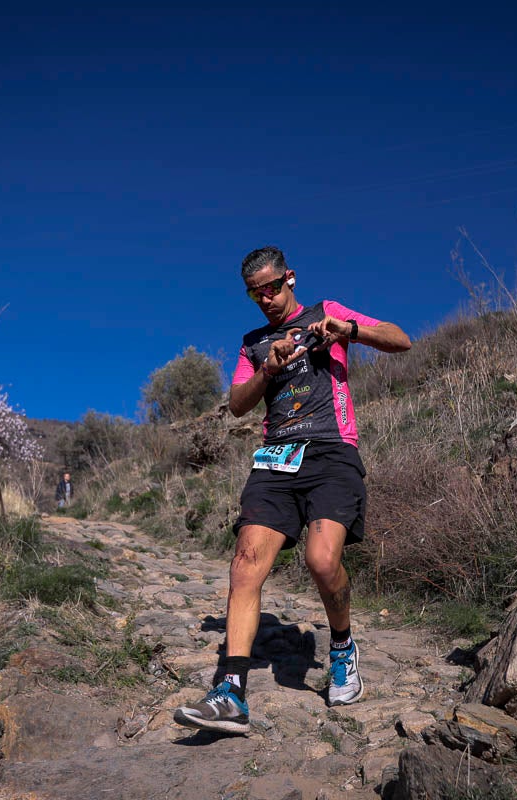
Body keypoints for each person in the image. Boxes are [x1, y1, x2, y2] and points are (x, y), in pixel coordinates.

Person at [174, 246, 411, 735]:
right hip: (275, 461)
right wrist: (269, 369)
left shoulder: (327, 313)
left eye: (272, 286)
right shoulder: (253, 343)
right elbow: (238, 405)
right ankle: (231, 692)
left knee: (322, 561)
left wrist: (349, 331)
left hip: (331, 453)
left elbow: (400, 339)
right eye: (255, 292)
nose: (266, 298)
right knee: (245, 564)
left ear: (290, 279)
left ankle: (342, 647)